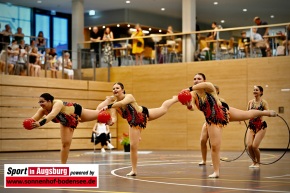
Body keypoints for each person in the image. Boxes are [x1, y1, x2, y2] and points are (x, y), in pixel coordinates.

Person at [182, 73, 276, 178]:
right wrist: (189, 106)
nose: (196, 80)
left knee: (247, 114)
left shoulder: (209, 88)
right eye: (194, 79)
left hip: (224, 111)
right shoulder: (194, 94)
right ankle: (216, 171)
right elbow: (192, 106)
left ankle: (267, 113)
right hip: (214, 120)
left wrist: (188, 88)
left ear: (204, 80)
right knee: (214, 146)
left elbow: (208, 85)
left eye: (199, 78)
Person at [101, 82, 178, 176]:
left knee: (163, 109)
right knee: (133, 146)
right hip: (133, 123)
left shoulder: (129, 96)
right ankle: (134, 170)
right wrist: (110, 122)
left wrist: (108, 106)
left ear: (123, 90)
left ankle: (174, 99)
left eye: (117, 88)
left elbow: (122, 103)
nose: (115, 90)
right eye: (113, 89)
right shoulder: (114, 106)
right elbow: (114, 118)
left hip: (143, 114)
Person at [29, 93, 113, 164]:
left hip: (77, 112)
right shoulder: (42, 110)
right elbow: (33, 119)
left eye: (42, 102)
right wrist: (28, 123)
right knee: (65, 144)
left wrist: (39, 123)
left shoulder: (57, 103)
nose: (40, 104)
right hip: (66, 122)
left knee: (98, 112)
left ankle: (108, 100)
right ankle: (63, 166)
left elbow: (52, 115)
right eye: (39, 102)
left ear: (49, 101)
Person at [199, 85, 224, 166]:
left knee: (213, 143)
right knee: (202, 140)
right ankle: (204, 160)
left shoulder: (221, 100)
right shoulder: (206, 99)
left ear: (217, 92)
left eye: (215, 90)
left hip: (216, 123)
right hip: (207, 122)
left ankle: (215, 161)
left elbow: (225, 110)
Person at [246, 86, 269, 168]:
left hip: (261, 126)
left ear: (261, 92)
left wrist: (266, 112)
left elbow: (267, 112)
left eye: (257, 90)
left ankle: (258, 163)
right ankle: (254, 162)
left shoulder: (263, 102)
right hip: (251, 126)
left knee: (255, 146)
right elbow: (247, 113)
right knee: (249, 146)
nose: (255, 91)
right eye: (254, 90)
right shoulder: (250, 102)